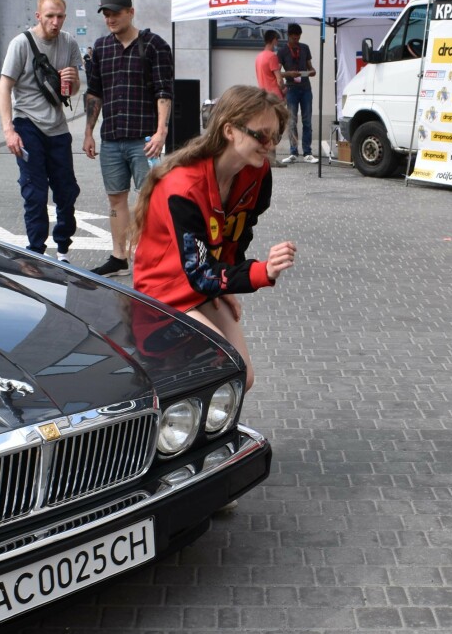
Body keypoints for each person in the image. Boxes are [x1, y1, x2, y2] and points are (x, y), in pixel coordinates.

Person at [130, 85, 296, 391]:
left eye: (274, 136)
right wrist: (260, 272)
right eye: (261, 135)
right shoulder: (182, 187)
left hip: (198, 284)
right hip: (164, 293)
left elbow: (239, 234)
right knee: (220, 376)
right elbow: (201, 274)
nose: (269, 144)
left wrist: (226, 281)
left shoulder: (256, 173)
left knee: (241, 377)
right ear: (229, 130)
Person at [83, 0, 174, 277]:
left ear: (130, 12)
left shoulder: (154, 45)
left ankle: (153, 259)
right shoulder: (100, 48)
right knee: (115, 199)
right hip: (111, 139)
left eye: (116, 13)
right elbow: (94, 93)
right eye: (106, 14)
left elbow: (164, 90)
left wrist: (161, 133)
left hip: (145, 139)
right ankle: (119, 257)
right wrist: (88, 133)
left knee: (152, 199)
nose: (110, 19)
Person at [0, 0, 85, 260]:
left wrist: (73, 80)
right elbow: (4, 86)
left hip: (58, 128)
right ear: (38, 16)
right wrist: (9, 130)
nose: (55, 22)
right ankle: (36, 250)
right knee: (35, 193)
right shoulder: (21, 44)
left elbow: (72, 90)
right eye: (49, 16)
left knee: (66, 191)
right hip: (27, 125)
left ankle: (63, 249)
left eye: (60, 16)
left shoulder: (68, 42)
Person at [276, 23, 317, 165]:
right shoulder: (282, 51)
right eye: (293, 38)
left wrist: (311, 71)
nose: (296, 41)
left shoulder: (304, 48)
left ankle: (308, 152)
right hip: (291, 89)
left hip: (306, 88)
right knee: (292, 121)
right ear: (288, 36)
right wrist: (289, 73)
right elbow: (278, 72)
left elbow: (311, 67)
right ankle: (293, 151)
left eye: (298, 38)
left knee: (307, 121)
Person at [255, 29, 283, 97]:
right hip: (274, 95)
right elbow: (279, 80)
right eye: (277, 40)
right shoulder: (272, 56)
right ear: (274, 40)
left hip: (263, 95)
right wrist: (284, 89)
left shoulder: (258, 56)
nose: (277, 42)